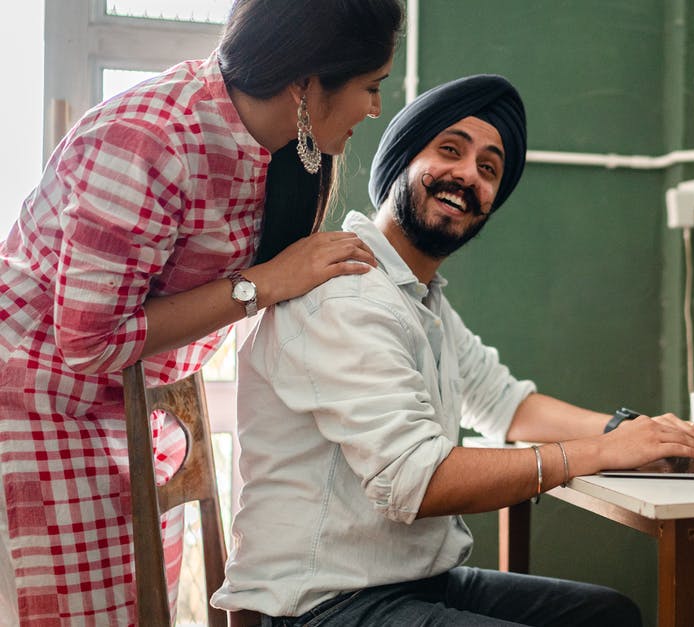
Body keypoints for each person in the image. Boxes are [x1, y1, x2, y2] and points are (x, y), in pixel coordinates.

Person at [211, 75, 694, 626]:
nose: (467, 176)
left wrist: (626, 433)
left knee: (609, 615)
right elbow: (415, 479)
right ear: (402, 159)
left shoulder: (416, 296)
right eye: (450, 150)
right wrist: (595, 454)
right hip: (316, 605)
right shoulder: (351, 291)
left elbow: (506, 404)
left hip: (406, 583)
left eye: (489, 169)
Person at [0, 0, 404, 623]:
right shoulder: (146, 140)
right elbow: (88, 341)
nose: (375, 109)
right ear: (304, 82)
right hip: (33, 415)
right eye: (370, 86)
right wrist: (262, 284)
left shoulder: (279, 152)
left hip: (127, 413)